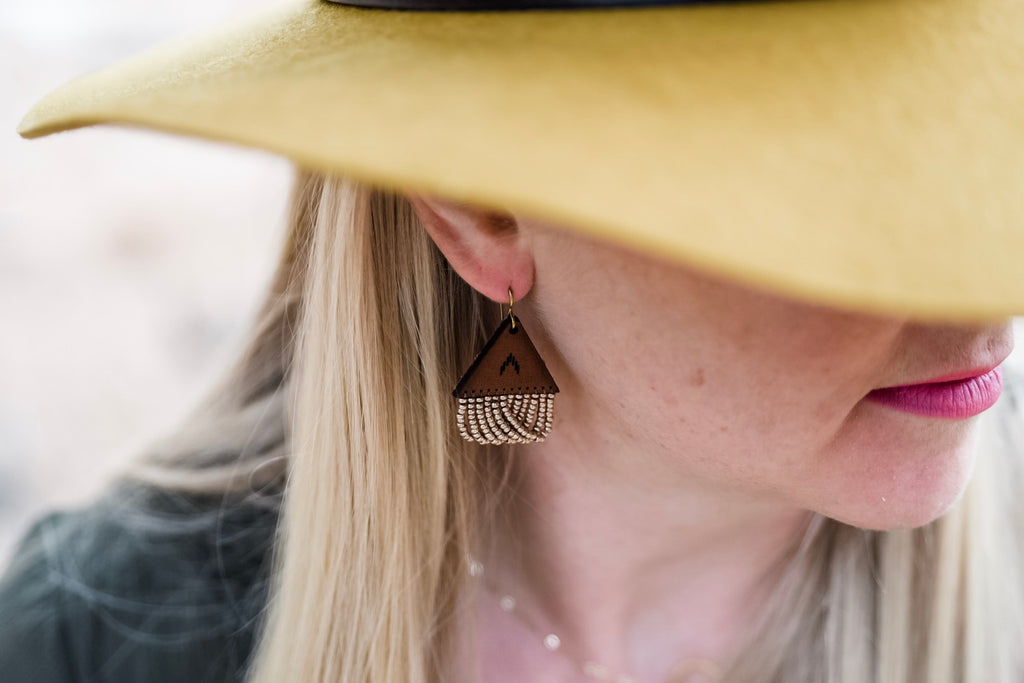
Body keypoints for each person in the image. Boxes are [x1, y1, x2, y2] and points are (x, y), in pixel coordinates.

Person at [2, 0, 1024, 681]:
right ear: (484, 210)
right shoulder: (97, 639)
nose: (989, 290)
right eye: (858, 195)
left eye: (991, 142)